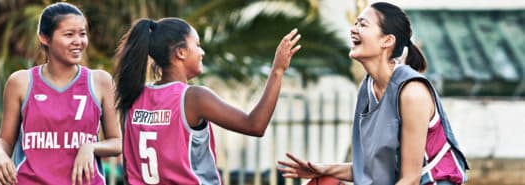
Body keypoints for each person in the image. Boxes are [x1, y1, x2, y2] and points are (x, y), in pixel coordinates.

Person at [278, 2, 468, 185]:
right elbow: (370, 171)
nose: (353, 29)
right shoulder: (368, 88)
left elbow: (410, 179)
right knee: (326, 181)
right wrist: (323, 169)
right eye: (355, 24)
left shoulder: (412, 92)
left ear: (387, 40)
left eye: (363, 25)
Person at [113, 17, 300, 184]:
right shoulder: (193, 98)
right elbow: (255, 125)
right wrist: (277, 71)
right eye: (197, 44)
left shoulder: (133, 96)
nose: (201, 52)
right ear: (181, 52)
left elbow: (130, 168)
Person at [0, 2, 122, 185]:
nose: (78, 41)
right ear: (45, 38)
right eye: (69, 34)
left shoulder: (100, 81)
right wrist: (0, 155)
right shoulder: (21, 82)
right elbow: (4, 140)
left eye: (82, 34)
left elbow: (117, 142)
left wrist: (91, 147)